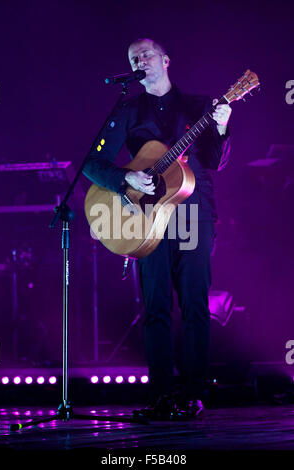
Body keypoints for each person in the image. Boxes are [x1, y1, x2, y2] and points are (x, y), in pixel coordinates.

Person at [83, 38, 232, 419]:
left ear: (166, 60)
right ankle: (161, 394)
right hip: (147, 218)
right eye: (133, 58)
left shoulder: (199, 107)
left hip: (193, 215)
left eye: (146, 54)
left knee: (195, 304)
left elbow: (215, 161)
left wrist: (222, 126)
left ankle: (195, 392)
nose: (140, 61)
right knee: (155, 307)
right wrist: (125, 178)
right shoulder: (127, 109)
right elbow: (92, 163)